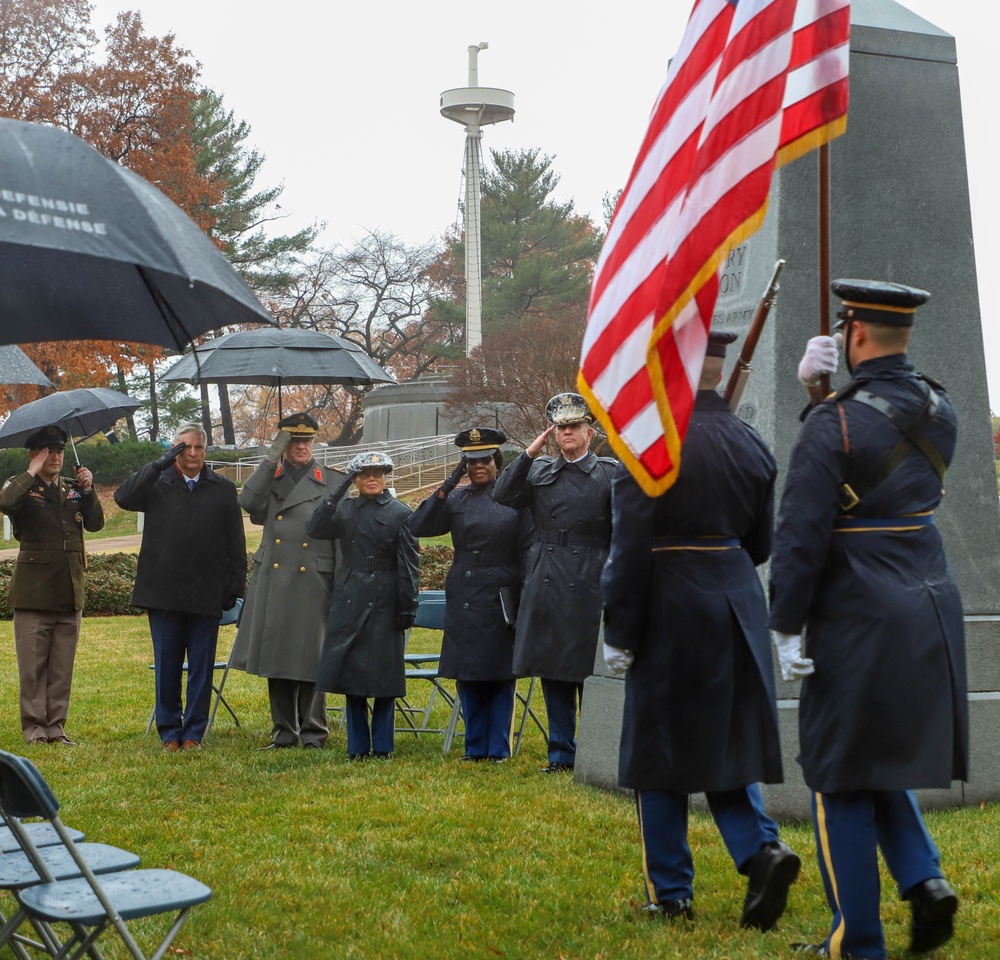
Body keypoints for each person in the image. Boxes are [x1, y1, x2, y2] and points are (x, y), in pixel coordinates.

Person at [771, 280, 967, 959]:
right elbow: (881, 461)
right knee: (876, 763)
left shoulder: (838, 421)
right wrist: (822, 402)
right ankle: (924, 879)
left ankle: (855, 941)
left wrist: (787, 623)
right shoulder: (940, 405)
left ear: (852, 335)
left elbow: (802, 529)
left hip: (857, 609)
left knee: (838, 774)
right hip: (928, 597)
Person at [600, 332, 800, 926]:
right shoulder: (751, 441)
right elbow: (760, 544)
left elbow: (628, 548)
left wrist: (619, 628)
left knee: (658, 750)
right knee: (728, 741)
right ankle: (761, 850)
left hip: (670, 601)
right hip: (737, 598)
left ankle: (671, 891)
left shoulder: (650, 441)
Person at [492, 393, 616, 773]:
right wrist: (528, 454)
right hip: (548, 576)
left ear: (589, 432)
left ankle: (595, 752)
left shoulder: (610, 473)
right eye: (561, 427)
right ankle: (561, 754)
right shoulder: (540, 471)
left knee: (589, 669)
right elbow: (502, 495)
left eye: (574, 427)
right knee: (554, 667)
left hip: (593, 575)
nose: (567, 433)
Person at [115, 423, 247, 752]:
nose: (191, 453)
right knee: (168, 666)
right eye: (184, 447)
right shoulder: (157, 482)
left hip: (206, 591)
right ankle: (170, 733)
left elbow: (235, 540)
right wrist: (159, 463)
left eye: (198, 448)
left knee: (201, 669)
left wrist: (235, 586)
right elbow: (123, 497)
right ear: (174, 449)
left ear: (206, 451)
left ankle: (193, 734)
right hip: (162, 591)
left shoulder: (222, 488)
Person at [407, 428, 533, 762]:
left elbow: (527, 549)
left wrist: (524, 594)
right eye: (471, 461)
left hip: (502, 592)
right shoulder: (458, 499)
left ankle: (498, 748)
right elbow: (417, 526)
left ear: (497, 461)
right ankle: (474, 746)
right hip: (465, 591)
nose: (479, 467)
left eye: (485, 460)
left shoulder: (516, 498)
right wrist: (448, 484)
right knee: (468, 671)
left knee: (500, 673)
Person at [230, 412, 341, 750]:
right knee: (276, 654)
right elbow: (247, 501)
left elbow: (342, 536)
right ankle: (283, 732)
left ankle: (313, 732)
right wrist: (270, 456)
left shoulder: (333, 481)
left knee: (311, 654)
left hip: (314, 578)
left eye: (307, 440)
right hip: (275, 578)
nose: (301, 446)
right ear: (284, 445)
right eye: (293, 441)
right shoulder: (270, 479)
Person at [307, 452, 419, 760]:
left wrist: (408, 604)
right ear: (355, 479)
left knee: (384, 675)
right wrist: (340, 486)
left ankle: (382, 746)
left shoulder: (400, 512)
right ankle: (357, 746)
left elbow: (409, 563)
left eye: (378, 473)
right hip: (350, 594)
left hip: (386, 596)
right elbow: (315, 527)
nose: (372, 478)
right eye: (365, 473)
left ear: (386, 478)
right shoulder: (345, 510)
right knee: (351, 673)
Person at [0, 425, 104, 745]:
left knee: (61, 667)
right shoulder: (21, 488)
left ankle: (56, 728)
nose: (56, 457)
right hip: (34, 592)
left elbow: (96, 524)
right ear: (34, 454)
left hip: (69, 589)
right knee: (33, 669)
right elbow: (4, 503)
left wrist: (88, 490)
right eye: (47, 450)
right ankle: (34, 730)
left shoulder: (73, 489)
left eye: (59, 451)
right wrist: (29, 473)